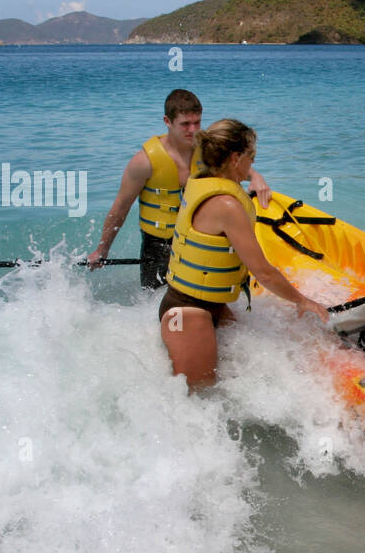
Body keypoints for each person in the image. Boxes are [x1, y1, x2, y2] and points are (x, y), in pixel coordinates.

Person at [159, 118, 327, 388]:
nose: (253, 165)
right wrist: (302, 300)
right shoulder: (226, 205)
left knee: (233, 382)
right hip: (188, 315)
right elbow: (263, 272)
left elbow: (239, 171)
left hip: (203, 307)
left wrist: (256, 177)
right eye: (252, 158)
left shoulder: (199, 178)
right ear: (235, 158)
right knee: (200, 398)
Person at [86, 89, 272, 288]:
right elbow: (120, 207)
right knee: (155, 306)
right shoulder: (144, 162)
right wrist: (102, 250)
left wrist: (256, 176)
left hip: (198, 243)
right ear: (167, 121)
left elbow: (236, 163)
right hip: (158, 246)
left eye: (197, 122)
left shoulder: (207, 150)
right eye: (185, 124)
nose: (193, 130)